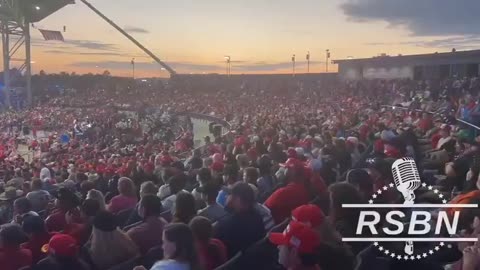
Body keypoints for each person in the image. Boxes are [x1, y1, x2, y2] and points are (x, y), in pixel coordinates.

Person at [214, 182, 265, 258]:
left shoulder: (226, 225)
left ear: (238, 199)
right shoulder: (257, 216)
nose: (228, 197)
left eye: (231, 195)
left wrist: (227, 208)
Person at [265, 158, 311, 224]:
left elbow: (264, 208)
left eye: (286, 168)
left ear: (293, 172)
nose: (284, 170)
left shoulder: (284, 192)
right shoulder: (303, 188)